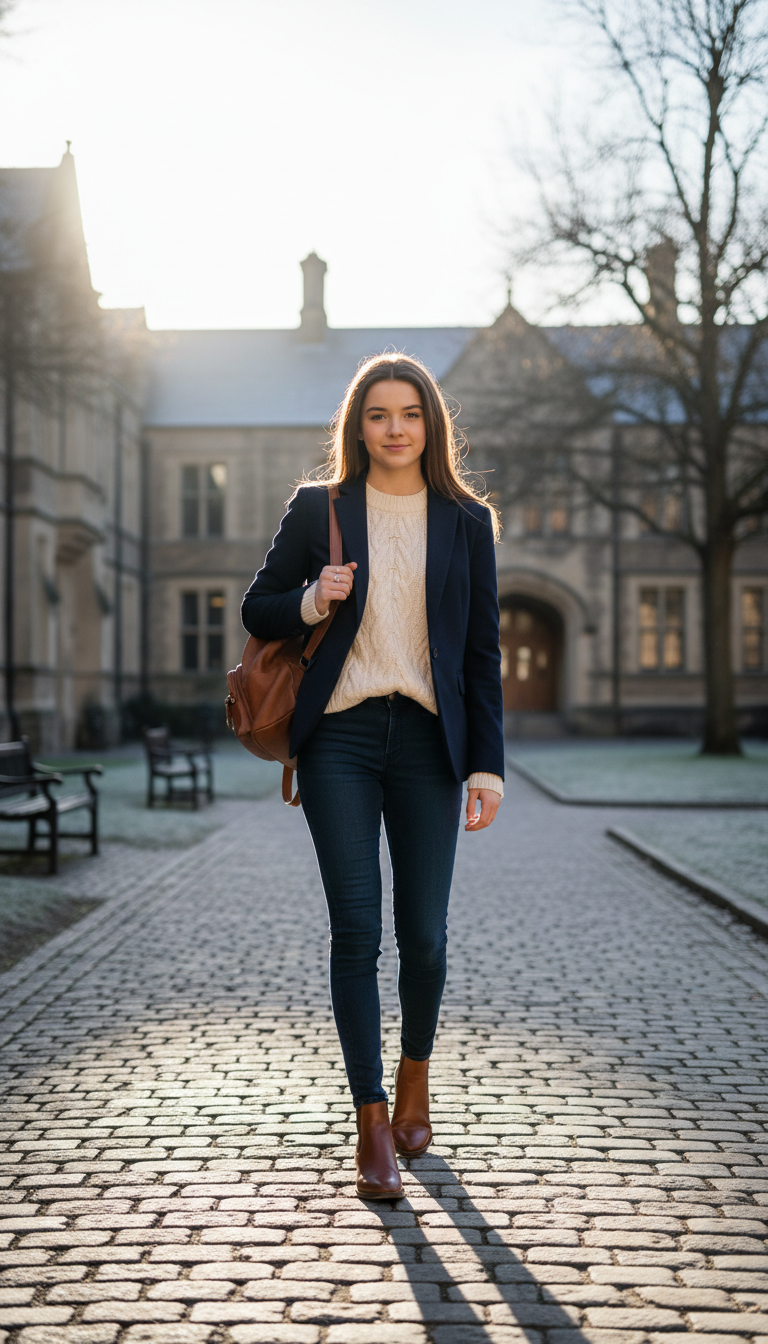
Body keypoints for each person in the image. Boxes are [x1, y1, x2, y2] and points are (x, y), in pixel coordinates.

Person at [241, 353, 504, 1199]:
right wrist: (312, 598)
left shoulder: (467, 521)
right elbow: (257, 608)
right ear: (358, 425)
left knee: (424, 936)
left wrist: (487, 765)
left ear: (432, 424)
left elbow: (482, 652)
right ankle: (371, 1124)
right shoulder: (319, 507)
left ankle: (416, 1076)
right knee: (356, 932)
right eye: (379, 414)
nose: (396, 429)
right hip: (340, 741)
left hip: (430, 743)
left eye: (411, 414)